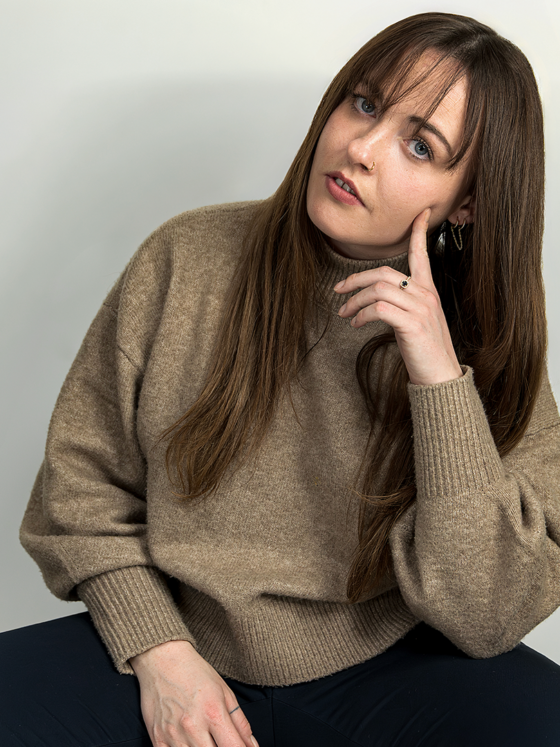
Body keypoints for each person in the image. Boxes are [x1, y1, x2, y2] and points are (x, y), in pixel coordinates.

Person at [3, 9, 560, 747]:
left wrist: (437, 377)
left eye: (420, 145)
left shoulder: (487, 339)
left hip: (387, 664)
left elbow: (488, 613)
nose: (360, 148)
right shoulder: (186, 257)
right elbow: (79, 494)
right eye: (365, 103)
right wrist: (159, 651)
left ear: (468, 202)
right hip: (177, 637)